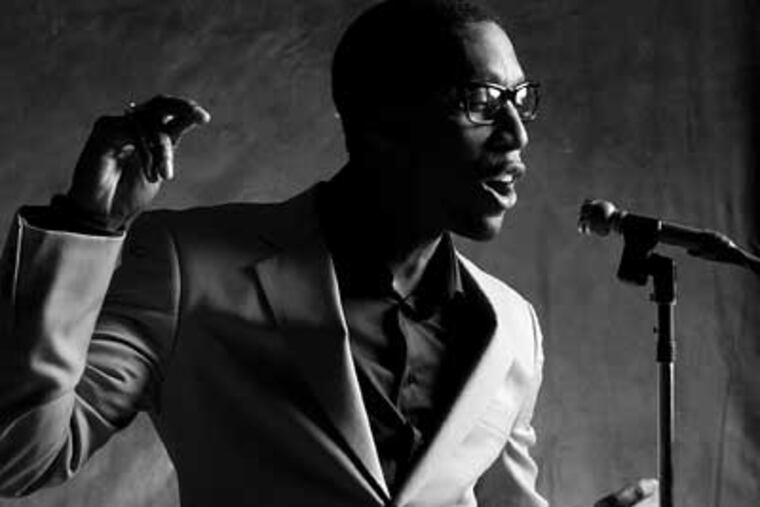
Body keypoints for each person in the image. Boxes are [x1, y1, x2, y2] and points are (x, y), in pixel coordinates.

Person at [0, 0, 658, 505]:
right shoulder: (189, 265)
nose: (516, 134)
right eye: (482, 102)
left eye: (521, 100)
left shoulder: (512, 327)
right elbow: (18, 456)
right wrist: (85, 224)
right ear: (380, 121)